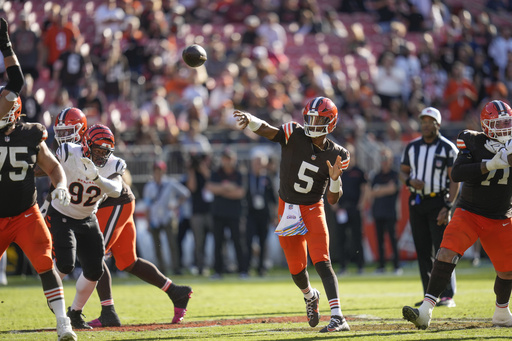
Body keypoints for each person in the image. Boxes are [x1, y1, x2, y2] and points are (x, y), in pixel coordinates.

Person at [50, 109, 194, 327]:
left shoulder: (96, 147)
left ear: (82, 130)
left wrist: (97, 178)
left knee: (95, 256)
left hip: (115, 202)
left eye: (69, 130)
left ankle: (104, 311)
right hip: (111, 202)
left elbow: (118, 178)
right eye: (61, 131)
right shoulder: (68, 150)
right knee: (128, 261)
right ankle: (176, 292)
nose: (64, 136)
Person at [233, 96, 351, 333]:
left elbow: (332, 199)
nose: (310, 122)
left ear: (330, 122)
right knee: (297, 269)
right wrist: (252, 119)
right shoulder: (294, 133)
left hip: (313, 208)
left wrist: (335, 180)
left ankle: (338, 317)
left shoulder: (338, 153)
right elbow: (269, 131)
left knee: (322, 261)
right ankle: (310, 295)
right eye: (309, 117)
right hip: (287, 208)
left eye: (317, 118)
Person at [403, 99, 512, 329]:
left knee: (507, 271)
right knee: (445, 253)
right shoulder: (470, 139)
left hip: (501, 216)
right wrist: (491, 164)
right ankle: (425, 311)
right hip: (469, 212)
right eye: (497, 123)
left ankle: (502, 313)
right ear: (485, 124)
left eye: (506, 122)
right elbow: (459, 173)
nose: (503, 128)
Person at [0, 17, 77, 341]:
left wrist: (60, 187)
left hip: (25, 213)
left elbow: (51, 166)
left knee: (46, 264)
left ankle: (63, 323)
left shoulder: (30, 135)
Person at [45, 123, 124, 329]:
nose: (100, 156)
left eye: (105, 152)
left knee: (95, 270)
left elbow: (117, 190)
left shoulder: (113, 164)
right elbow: (46, 165)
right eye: (97, 150)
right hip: (62, 213)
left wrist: (97, 179)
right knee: (65, 264)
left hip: (88, 217)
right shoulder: (69, 152)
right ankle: (51, 288)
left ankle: (75, 313)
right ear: (87, 145)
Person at [400, 107, 460, 308]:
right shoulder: (412, 147)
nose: (425, 124)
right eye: (423, 121)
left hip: (438, 202)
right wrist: (410, 182)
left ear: (438, 124)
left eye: (430, 121)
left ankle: (448, 295)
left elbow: (455, 179)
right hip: (417, 202)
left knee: (444, 249)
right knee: (423, 250)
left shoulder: (448, 148)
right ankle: (429, 295)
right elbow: (403, 171)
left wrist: (448, 205)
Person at [142, 161, 191, 275]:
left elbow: (186, 193)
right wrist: (148, 221)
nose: (158, 173)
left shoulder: (170, 183)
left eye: (160, 170)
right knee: (157, 245)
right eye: (156, 170)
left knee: (172, 243)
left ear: (164, 171)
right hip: (154, 218)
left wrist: (176, 204)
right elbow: (147, 205)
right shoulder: (149, 186)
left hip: (168, 217)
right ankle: (161, 269)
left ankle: (176, 267)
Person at [206, 148, 248, 279]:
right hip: (218, 213)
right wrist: (228, 187)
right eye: (225, 158)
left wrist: (221, 190)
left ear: (234, 159)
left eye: (229, 158)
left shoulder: (239, 173)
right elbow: (210, 188)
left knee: (238, 242)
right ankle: (218, 271)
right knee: (218, 243)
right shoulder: (216, 172)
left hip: (235, 214)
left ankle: (243, 270)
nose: (227, 161)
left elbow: (240, 193)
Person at [336, 143, 368, 275]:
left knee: (357, 237)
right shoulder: (338, 171)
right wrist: (335, 205)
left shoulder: (359, 171)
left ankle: (360, 265)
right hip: (342, 209)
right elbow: (331, 187)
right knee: (341, 238)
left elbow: (365, 189)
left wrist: (361, 204)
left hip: (354, 207)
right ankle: (343, 266)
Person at [245, 148, 277, 277]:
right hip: (250, 213)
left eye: (261, 162)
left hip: (264, 214)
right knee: (248, 241)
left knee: (263, 241)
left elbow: (274, 198)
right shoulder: (247, 177)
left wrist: (275, 216)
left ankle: (261, 268)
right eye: (256, 162)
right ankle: (245, 268)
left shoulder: (268, 178)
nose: (258, 165)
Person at [370, 147, 402, 274]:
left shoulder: (395, 174)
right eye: (382, 159)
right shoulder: (376, 175)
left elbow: (393, 189)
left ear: (391, 160)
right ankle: (381, 266)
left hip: (391, 212)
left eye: (386, 159)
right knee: (380, 241)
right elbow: (371, 192)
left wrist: (379, 190)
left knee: (393, 240)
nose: (384, 162)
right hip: (378, 212)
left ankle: (396, 266)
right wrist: (384, 189)